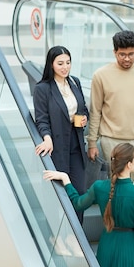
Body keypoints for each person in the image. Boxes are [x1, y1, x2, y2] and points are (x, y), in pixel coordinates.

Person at [87, 30, 134, 189]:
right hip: (112, 141)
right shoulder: (101, 75)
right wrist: (92, 142)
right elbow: (96, 111)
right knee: (116, 190)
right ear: (114, 52)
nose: (127, 58)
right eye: (122, 54)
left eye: (131, 54)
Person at [34, 45, 89, 222]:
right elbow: (41, 118)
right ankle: (56, 236)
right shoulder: (43, 88)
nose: (65, 67)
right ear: (51, 65)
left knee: (79, 191)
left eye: (68, 62)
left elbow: (84, 109)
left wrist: (83, 118)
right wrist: (47, 138)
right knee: (57, 194)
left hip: (76, 144)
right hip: (56, 146)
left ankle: (76, 236)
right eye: (60, 63)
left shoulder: (75, 82)